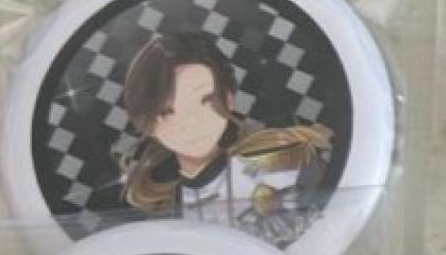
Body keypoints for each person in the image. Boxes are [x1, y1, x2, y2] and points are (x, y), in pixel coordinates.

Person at [117, 31, 332, 242]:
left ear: (228, 98)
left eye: (205, 100)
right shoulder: (157, 211)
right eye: (167, 112)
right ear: (146, 122)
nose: (191, 122)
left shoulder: (284, 166)